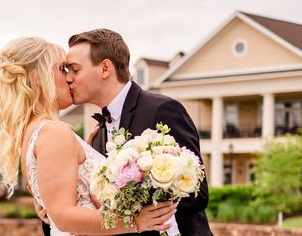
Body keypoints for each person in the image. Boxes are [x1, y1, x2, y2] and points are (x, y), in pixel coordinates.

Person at [0, 36, 175, 236]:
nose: (68, 78)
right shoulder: (53, 132)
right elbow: (63, 216)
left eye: (71, 70)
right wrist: (136, 221)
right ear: (37, 77)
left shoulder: (33, 133)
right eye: (62, 69)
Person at [59, 29, 212, 236]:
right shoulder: (97, 134)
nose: (68, 78)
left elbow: (196, 193)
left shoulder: (162, 110)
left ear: (105, 68)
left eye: (75, 70)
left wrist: (133, 214)